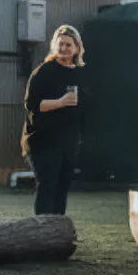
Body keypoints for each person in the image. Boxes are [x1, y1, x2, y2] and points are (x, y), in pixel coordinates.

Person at [22, 25, 86, 216]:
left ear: (77, 48)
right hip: (42, 139)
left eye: (69, 45)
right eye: (61, 44)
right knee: (47, 186)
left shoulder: (81, 73)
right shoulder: (44, 71)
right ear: (53, 46)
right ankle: (41, 233)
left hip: (68, 140)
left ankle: (57, 234)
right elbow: (31, 104)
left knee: (62, 188)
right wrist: (60, 102)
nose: (64, 48)